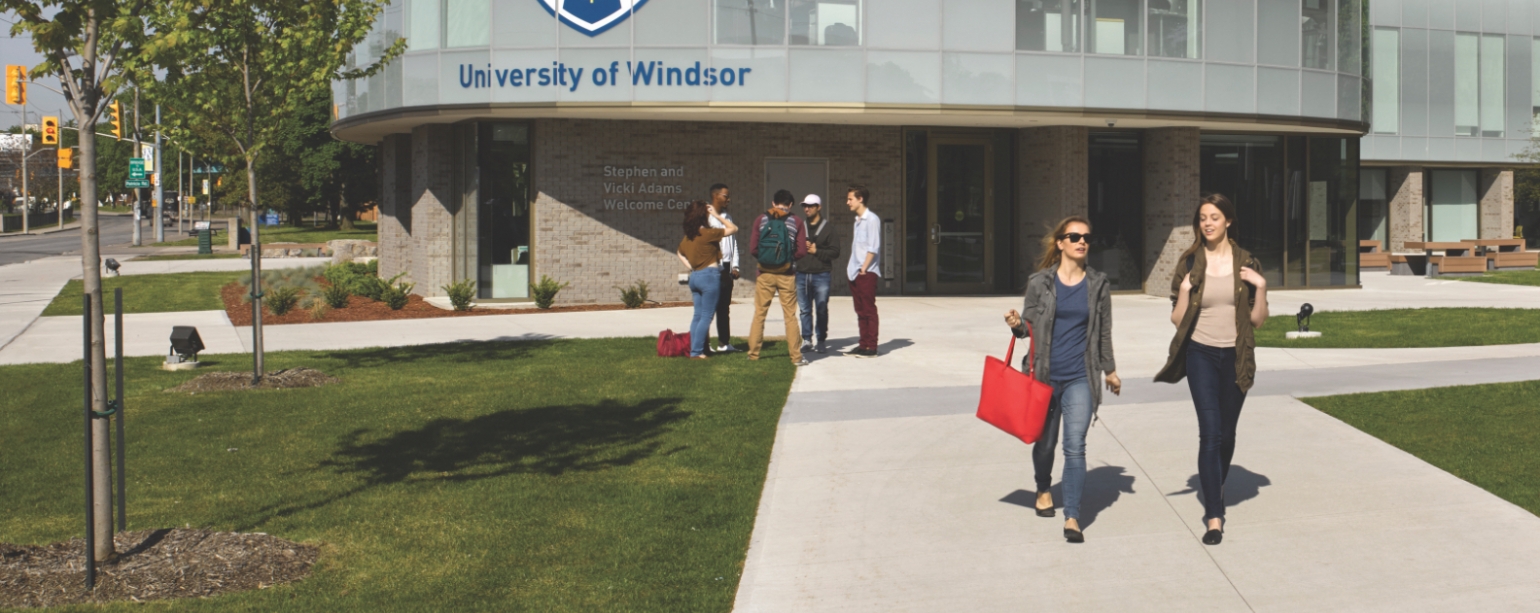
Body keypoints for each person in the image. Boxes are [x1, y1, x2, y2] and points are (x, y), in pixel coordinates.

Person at [1155, 193, 1269, 546]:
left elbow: (1257, 320)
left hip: (1235, 356)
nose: (1207, 223)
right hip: (1200, 354)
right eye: (1203, 217)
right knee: (1210, 432)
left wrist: (1261, 288)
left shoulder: (1247, 263)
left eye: (1215, 217)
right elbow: (1177, 319)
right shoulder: (1190, 262)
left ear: (1228, 221)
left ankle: (1214, 481)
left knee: (1227, 434)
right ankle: (1214, 515)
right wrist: (1187, 290)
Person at [1003, 216, 1121, 544]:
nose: (1081, 241)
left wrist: (1109, 369)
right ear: (1060, 243)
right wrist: (1016, 324)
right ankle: (1043, 487)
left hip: (1080, 376)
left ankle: (1072, 516)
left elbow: (1104, 331)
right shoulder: (1040, 283)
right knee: (1045, 444)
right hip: (1043, 376)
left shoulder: (1098, 284)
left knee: (1075, 445)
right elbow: (1028, 328)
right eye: (1074, 236)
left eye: (1086, 237)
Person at [747, 189, 809, 366]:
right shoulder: (796, 221)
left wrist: (766, 260)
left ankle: (753, 354)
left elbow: (753, 249)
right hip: (787, 274)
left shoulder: (761, 219)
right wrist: (788, 259)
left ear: (773, 203)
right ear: (790, 205)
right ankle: (796, 357)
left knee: (760, 313)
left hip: (764, 274)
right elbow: (802, 250)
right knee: (790, 315)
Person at [677, 200, 737, 359]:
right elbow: (733, 228)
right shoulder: (708, 233)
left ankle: (697, 349)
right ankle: (696, 352)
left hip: (695, 276)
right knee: (706, 316)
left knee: (697, 316)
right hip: (710, 277)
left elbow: (679, 252)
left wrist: (690, 266)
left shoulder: (689, 236)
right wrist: (717, 215)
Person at [794, 194, 840, 354]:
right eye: (805, 206)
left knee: (821, 309)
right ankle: (807, 340)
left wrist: (816, 251)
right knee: (804, 310)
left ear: (819, 207)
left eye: (811, 205)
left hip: (821, 275)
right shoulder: (800, 227)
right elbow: (793, 249)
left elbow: (835, 252)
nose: (807, 208)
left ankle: (821, 340)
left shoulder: (829, 229)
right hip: (801, 274)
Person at [845, 185, 881, 358]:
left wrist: (864, 269)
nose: (847, 202)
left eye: (850, 199)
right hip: (854, 271)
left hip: (866, 272)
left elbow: (873, 247)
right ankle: (863, 344)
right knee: (860, 310)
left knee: (868, 310)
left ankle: (871, 347)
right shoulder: (857, 221)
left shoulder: (872, 219)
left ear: (860, 199)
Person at [707, 183, 742, 353]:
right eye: (725, 196)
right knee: (708, 309)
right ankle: (704, 345)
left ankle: (724, 343)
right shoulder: (706, 218)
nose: (728, 199)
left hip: (727, 268)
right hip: (713, 268)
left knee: (724, 308)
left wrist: (735, 265)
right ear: (715, 196)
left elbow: (733, 243)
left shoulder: (728, 217)